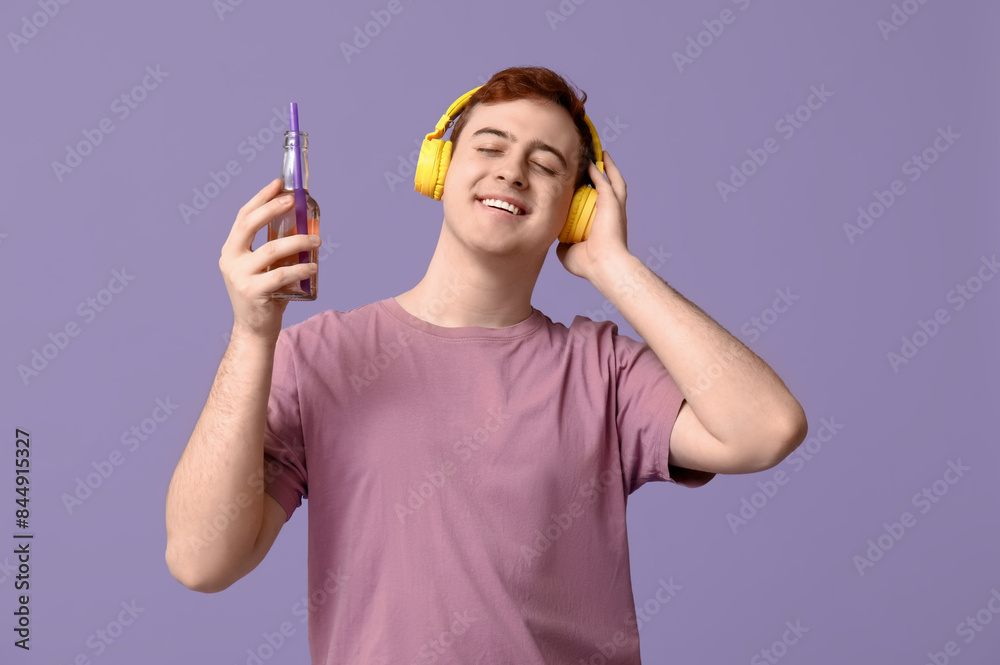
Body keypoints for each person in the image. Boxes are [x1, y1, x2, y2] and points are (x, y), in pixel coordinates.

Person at [165, 66, 808, 664]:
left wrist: (616, 267)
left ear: (576, 209)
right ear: (439, 168)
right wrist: (254, 335)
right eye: (490, 146)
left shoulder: (603, 371)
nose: (512, 172)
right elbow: (201, 561)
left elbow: (766, 429)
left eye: (546, 164)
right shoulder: (319, 359)